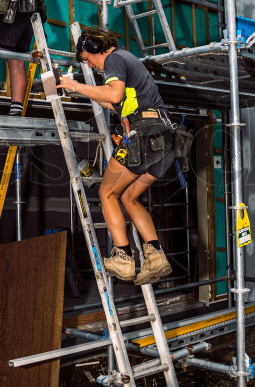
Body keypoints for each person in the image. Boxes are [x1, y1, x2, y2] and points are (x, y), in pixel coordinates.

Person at [57, 28, 174, 285]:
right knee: (129, 197)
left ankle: (123, 257)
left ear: (95, 48)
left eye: (87, 58)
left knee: (107, 194)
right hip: (164, 139)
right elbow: (115, 103)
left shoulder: (114, 59)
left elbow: (113, 94)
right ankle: (155, 257)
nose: (91, 65)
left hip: (144, 135)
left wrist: (77, 84)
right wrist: (82, 92)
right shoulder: (126, 59)